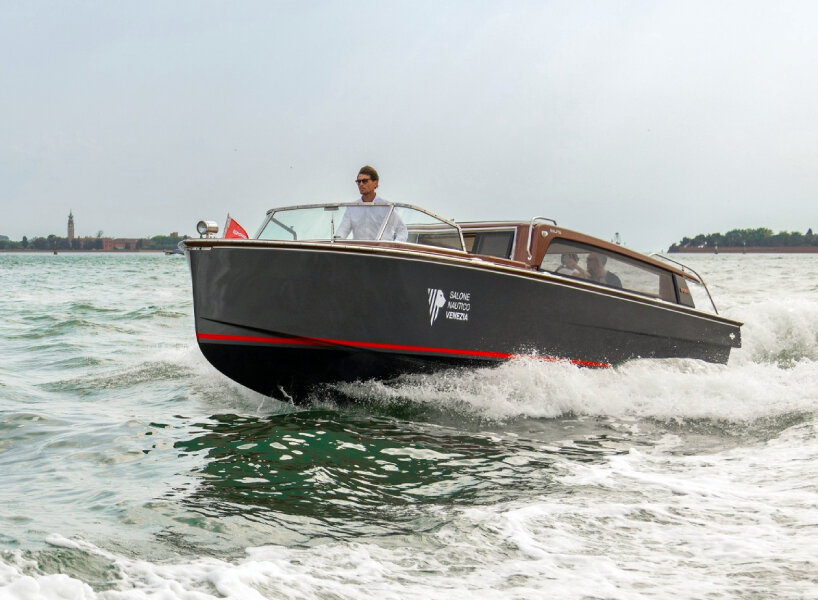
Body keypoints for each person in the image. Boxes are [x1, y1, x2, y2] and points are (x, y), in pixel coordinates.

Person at [334, 166, 408, 241]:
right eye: (358, 182)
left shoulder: (387, 207)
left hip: (382, 247)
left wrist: (394, 245)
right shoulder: (352, 208)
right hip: (360, 248)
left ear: (375, 183)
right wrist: (336, 241)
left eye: (365, 181)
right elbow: (342, 231)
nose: (361, 184)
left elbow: (402, 231)